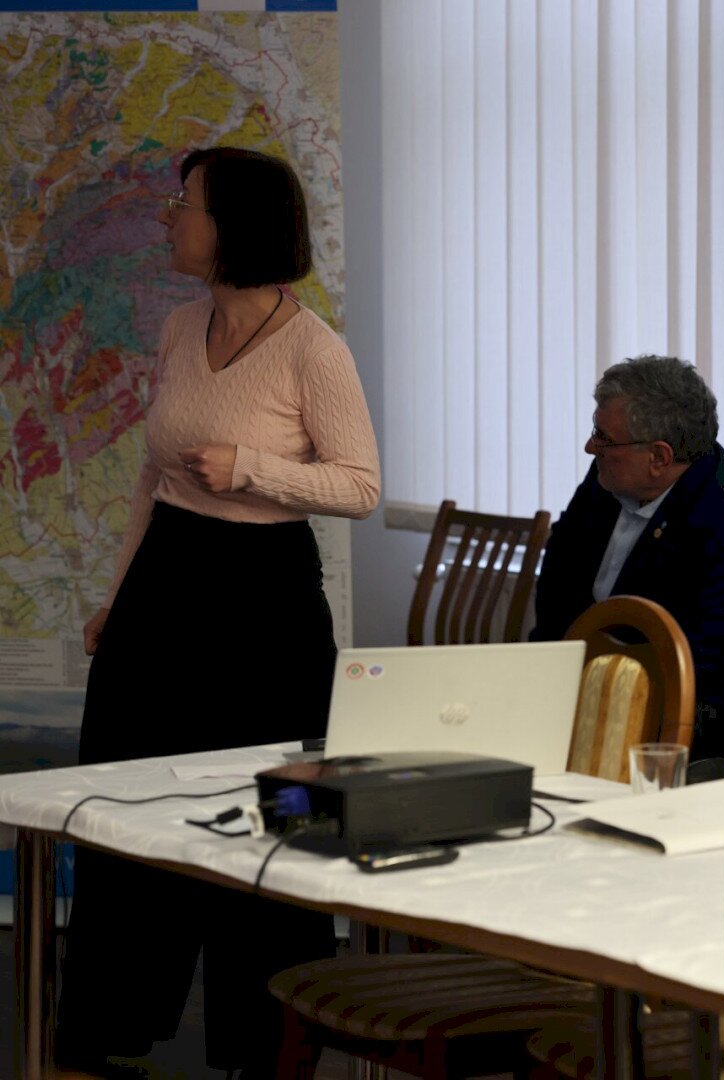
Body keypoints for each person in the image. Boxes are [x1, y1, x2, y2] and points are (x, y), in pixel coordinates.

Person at [58, 147, 380, 1076]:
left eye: (185, 203)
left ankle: (267, 1045)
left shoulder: (314, 349)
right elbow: (151, 480)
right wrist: (118, 598)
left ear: (233, 225)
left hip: (263, 600)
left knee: (271, 823)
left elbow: (359, 486)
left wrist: (253, 469)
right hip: (166, 580)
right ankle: (106, 1033)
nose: (169, 217)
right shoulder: (178, 326)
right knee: (124, 807)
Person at [530, 355, 724, 766]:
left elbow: (699, 663)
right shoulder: (609, 475)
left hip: (721, 730)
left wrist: (591, 696)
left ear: (659, 457)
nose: (591, 447)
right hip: (613, 691)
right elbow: (559, 576)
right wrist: (553, 674)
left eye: (602, 438)